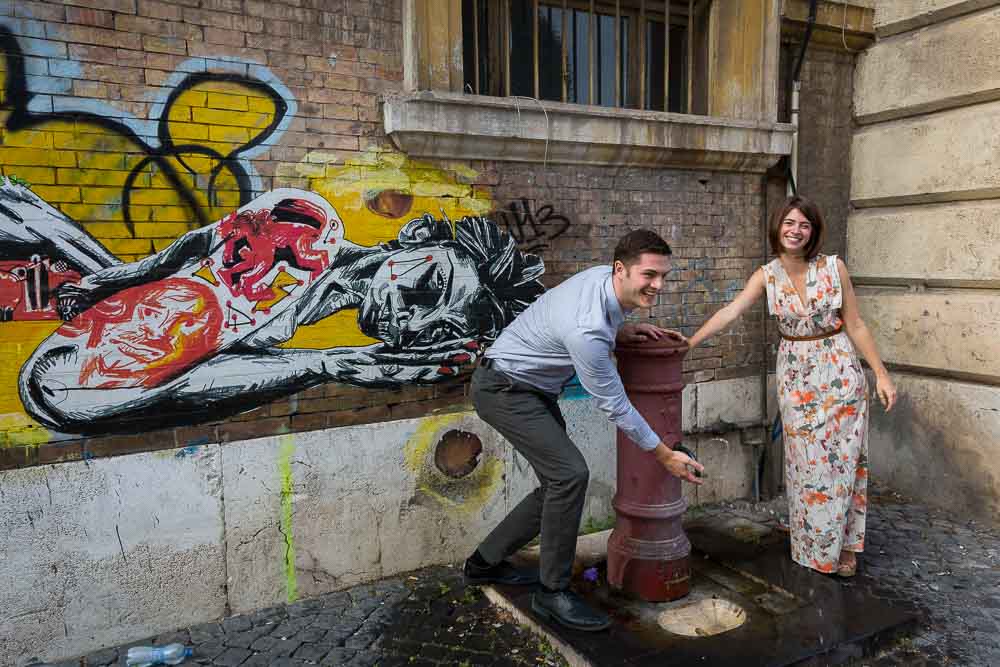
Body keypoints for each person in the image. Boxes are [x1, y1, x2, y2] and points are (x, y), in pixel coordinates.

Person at [2, 181, 545, 433]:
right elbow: (191, 245)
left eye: (430, 328)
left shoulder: (292, 331)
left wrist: (327, 364)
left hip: (111, 365)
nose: (411, 317)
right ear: (416, 236)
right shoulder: (307, 225)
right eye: (427, 286)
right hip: (96, 328)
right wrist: (110, 280)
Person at [463, 229, 705, 632]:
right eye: (649, 275)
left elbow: (588, 321)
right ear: (620, 269)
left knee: (558, 483)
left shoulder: (603, 285)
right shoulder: (588, 329)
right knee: (569, 475)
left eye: (663, 275)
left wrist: (623, 332)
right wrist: (664, 455)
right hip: (504, 390)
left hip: (529, 388)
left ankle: (483, 564)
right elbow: (615, 405)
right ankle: (551, 593)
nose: (658, 285)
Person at [687, 195, 897, 577]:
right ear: (777, 227)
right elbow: (730, 312)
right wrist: (688, 343)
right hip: (797, 378)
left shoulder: (834, 268)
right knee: (806, 465)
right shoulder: (766, 275)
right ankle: (815, 543)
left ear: (812, 231)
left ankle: (846, 545)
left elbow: (856, 324)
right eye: (789, 223)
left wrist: (881, 374)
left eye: (803, 225)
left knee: (844, 461)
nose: (795, 230)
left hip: (839, 373)